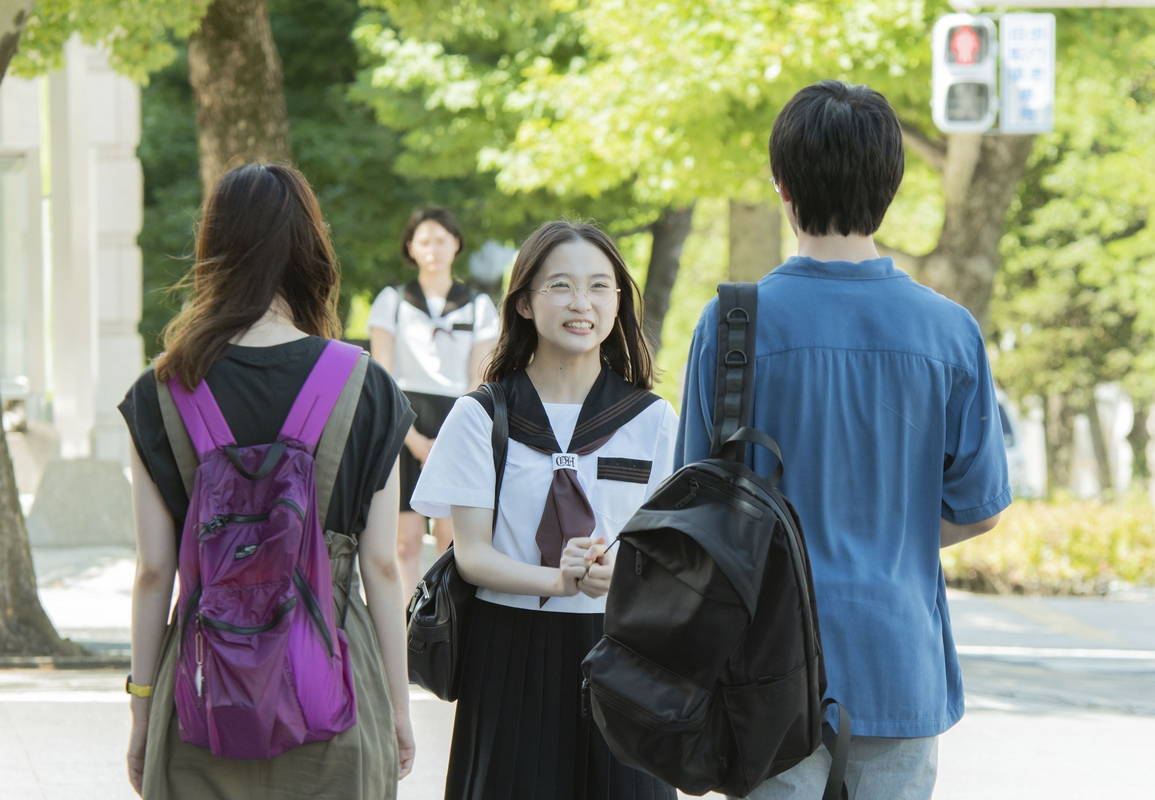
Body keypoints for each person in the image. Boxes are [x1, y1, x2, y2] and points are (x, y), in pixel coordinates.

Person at [677, 81, 1011, 800]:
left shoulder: (732, 324)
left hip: (763, 665)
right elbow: (980, 506)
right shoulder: (947, 330)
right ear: (889, 184)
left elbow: (694, 506)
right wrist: (893, 535)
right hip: (897, 657)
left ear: (783, 185)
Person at [119, 164, 416, 798]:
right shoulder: (367, 387)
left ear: (213, 251)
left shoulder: (160, 392)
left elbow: (153, 571)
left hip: (201, 697)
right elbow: (384, 567)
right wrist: (398, 707)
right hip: (335, 688)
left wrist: (143, 707)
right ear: (312, 251)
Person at [410, 221, 679, 800]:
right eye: (561, 285)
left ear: (617, 304)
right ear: (525, 302)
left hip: (625, 653)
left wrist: (623, 573)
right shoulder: (481, 416)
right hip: (509, 654)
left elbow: (673, 555)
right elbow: (472, 553)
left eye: (599, 287)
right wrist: (558, 580)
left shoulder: (652, 422)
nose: (581, 303)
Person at [368, 207, 500, 591]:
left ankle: (442, 624)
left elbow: (479, 379)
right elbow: (383, 377)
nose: (433, 249)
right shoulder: (391, 301)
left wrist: (445, 442)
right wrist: (413, 440)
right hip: (402, 421)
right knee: (404, 542)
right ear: (410, 247)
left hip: (456, 423)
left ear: (456, 244)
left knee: (450, 541)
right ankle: (406, 620)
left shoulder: (478, 307)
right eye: (424, 241)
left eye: (441, 240)